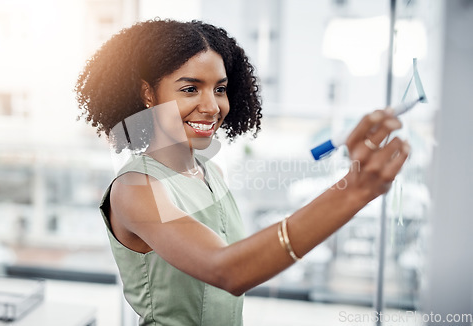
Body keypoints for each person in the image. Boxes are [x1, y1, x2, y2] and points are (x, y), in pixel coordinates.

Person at [75, 19, 409, 326]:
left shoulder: (211, 172)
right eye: (190, 89)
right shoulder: (136, 188)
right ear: (149, 94)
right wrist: (354, 191)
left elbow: (245, 263)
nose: (211, 106)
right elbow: (228, 269)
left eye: (219, 89)